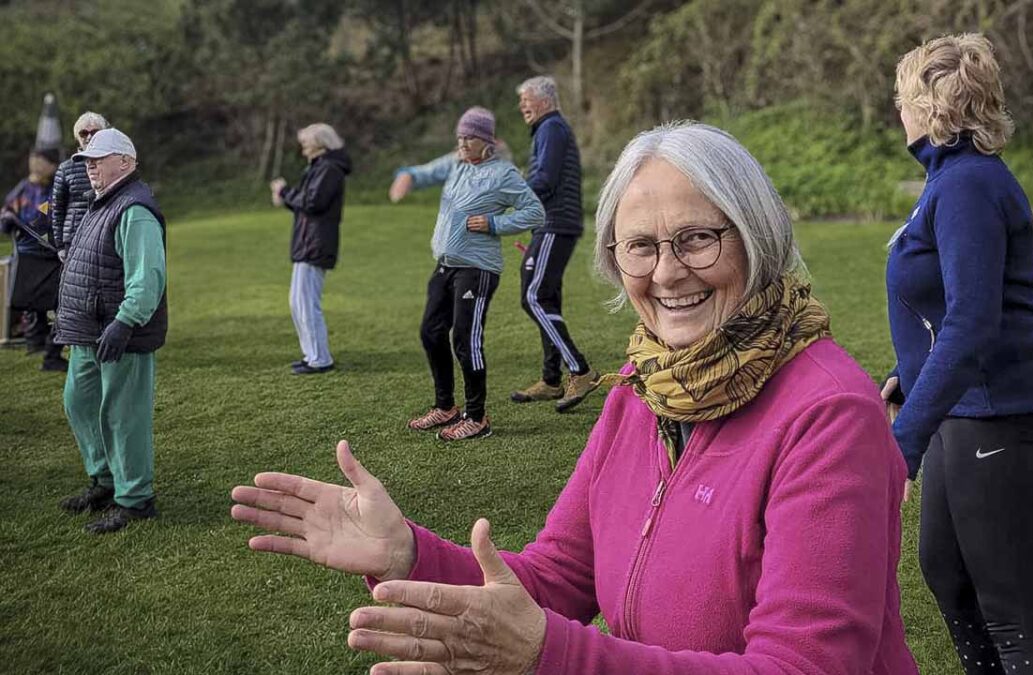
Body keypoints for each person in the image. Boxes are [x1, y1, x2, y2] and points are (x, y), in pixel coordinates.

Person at [232, 122, 919, 674]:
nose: (668, 271)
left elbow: (805, 665)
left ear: (758, 237)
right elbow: (556, 574)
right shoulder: (641, 389)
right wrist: (408, 552)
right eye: (640, 246)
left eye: (698, 238)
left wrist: (550, 655)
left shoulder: (828, 414)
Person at [885, 34, 1033, 674]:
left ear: (928, 107)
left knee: (1013, 618)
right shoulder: (952, 181)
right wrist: (907, 377)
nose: (897, 111)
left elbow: (972, 319)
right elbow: (949, 309)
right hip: (960, 412)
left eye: (903, 97)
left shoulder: (966, 186)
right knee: (950, 577)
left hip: (998, 413)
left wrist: (904, 439)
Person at [388, 107, 543, 441]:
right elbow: (423, 172)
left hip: (478, 269)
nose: (461, 143)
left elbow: (535, 211)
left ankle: (477, 417)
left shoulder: (503, 173)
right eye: (459, 136)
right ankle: (446, 408)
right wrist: (406, 175)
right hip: (445, 266)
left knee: (465, 340)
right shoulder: (456, 163)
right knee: (431, 332)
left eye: (468, 137)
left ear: (485, 141)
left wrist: (494, 224)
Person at [53, 128, 167, 534]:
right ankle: (104, 480)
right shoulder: (102, 203)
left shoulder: (134, 208)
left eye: (98, 160)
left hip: (120, 332)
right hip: (88, 332)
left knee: (124, 417)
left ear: (127, 162)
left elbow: (147, 278)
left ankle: (136, 500)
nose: (90, 167)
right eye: (86, 161)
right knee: (78, 402)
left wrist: (125, 322)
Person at [510, 76, 598, 412]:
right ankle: (550, 379)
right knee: (546, 298)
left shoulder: (551, 128)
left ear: (545, 100)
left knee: (534, 296)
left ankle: (580, 370)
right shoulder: (550, 129)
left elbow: (544, 180)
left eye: (526, 100)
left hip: (555, 224)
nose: (522, 107)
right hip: (552, 224)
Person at [270, 123, 351, 375]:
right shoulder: (320, 168)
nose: (303, 146)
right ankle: (312, 355)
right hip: (308, 242)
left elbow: (313, 203)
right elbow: (305, 205)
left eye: (306, 142)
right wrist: (286, 197)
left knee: (306, 303)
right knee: (298, 302)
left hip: (315, 243)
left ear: (321, 144)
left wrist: (284, 191)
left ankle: (319, 359)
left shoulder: (328, 169)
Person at [1, 147, 64, 370]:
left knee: (59, 302)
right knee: (37, 301)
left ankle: (50, 350)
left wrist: (37, 218)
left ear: (52, 164)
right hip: (29, 254)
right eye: (33, 160)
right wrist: (9, 217)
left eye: (40, 161)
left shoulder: (57, 184)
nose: (35, 165)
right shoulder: (24, 189)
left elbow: (48, 215)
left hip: (50, 253)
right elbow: (7, 217)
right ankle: (38, 344)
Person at [51, 111, 109, 260]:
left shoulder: (112, 163)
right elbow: (57, 209)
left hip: (105, 234)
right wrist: (60, 246)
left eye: (95, 132)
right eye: (84, 133)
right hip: (74, 236)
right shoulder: (65, 169)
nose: (89, 137)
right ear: (77, 137)